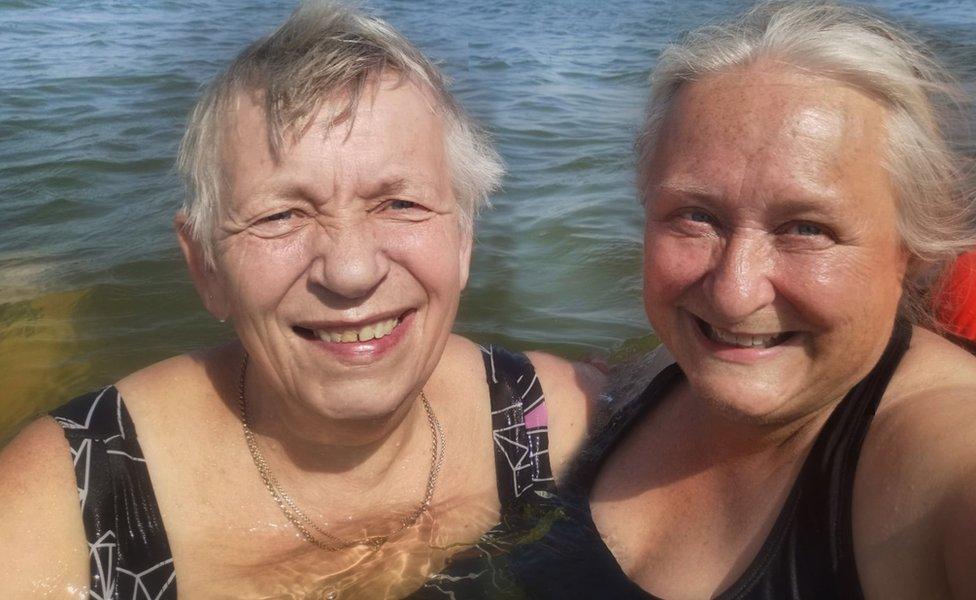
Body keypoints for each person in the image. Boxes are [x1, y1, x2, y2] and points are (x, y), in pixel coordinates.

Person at [0, 2, 600, 598]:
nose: (351, 270)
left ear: (464, 239)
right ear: (205, 266)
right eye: (281, 214)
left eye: (400, 203)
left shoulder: (544, 424)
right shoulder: (68, 511)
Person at [506, 2, 976, 598]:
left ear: (908, 250)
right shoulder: (644, 380)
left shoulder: (941, 454)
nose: (733, 292)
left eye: (806, 228)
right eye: (697, 217)